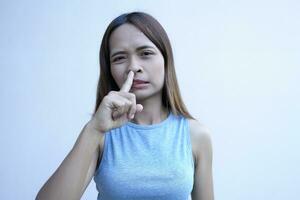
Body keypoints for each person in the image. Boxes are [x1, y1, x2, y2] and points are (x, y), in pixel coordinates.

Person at [36, 11, 214, 200]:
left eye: (145, 53)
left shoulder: (196, 135)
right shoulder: (100, 134)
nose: (133, 67)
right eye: (119, 58)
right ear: (109, 69)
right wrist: (93, 130)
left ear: (166, 60)